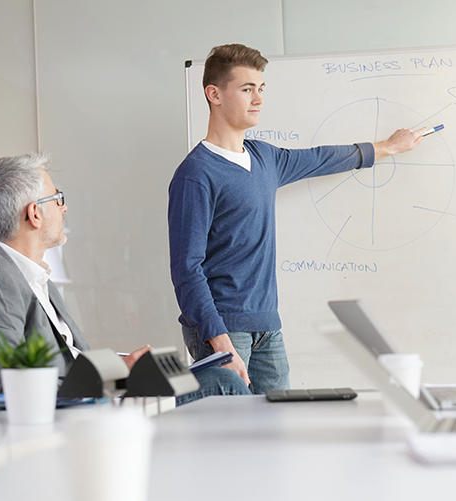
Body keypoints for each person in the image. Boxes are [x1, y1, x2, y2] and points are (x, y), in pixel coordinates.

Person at [169, 43, 426, 394]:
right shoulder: (196, 174)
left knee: (279, 421)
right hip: (223, 330)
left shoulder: (265, 159)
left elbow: (320, 158)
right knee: (229, 425)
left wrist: (388, 147)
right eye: (246, 89)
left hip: (268, 326)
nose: (258, 99)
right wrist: (219, 340)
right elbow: (186, 268)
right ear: (214, 94)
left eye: (261, 89)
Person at [0, 153, 249, 404]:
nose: (64, 208)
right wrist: (117, 377)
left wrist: (123, 367)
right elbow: (10, 388)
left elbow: (73, 361)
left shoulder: (34, 277)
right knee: (223, 382)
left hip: (99, 398)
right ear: (35, 214)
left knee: (211, 375)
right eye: (57, 199)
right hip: (82, 410)